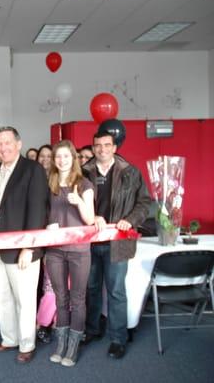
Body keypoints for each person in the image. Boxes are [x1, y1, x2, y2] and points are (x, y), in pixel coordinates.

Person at [0, 126, 49, 364]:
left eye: (8, 142)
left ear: (18, 144)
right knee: (2, 295)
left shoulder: (33, 169)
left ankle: (27, 343)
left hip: (22, 247)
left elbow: (38, 210)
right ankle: (9, 338)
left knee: (24, 297)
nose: (3, 147)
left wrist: (29, 247)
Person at [82, 131, 151, 359]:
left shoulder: (131, 172)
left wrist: (130, 220)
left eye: (106, 145)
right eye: (97, 146)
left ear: (114, 147)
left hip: (118, 242)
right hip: (90, 241)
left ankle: (118, 338)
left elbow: (144, 202)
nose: (102, 149)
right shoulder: (83, 172)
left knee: (116, 291)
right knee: (91, 289)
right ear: (93, 148)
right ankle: (92, 330)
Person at [45, 140, 96, 367]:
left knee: (77, 298)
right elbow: (44, 212)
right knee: (60, 297)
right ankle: (61, 343)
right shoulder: (50, 182)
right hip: (55, 250)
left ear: (73, 158)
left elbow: (90, 219)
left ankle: (73, 346)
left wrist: (78, 203)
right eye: (58, 156)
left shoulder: (83, 184)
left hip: (79, 250)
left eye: (66, 156)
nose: (62, 160)